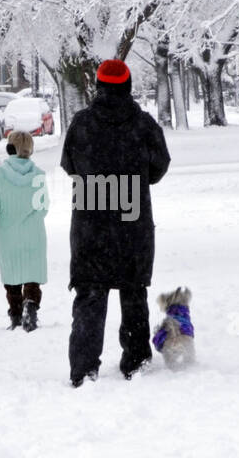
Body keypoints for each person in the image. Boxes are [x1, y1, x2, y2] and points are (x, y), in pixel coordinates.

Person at [60, 58, 170, 386]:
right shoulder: (144, 125)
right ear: (128, 85)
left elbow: (69, 165)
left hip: (90, 225)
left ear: (99, 85)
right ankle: (135, 361)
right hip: (132, 224)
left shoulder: (81, 124)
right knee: (133, 293)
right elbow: (159, 167)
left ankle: (83, 368)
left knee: (89, 297)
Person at [0, 129, 49, 331]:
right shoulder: (39, 175)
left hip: (7, 236)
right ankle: (30, 305)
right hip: (34, 235)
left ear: (9, 148)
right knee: (32, 277)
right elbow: (43, 207)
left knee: (12, 278)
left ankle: (16, 313)